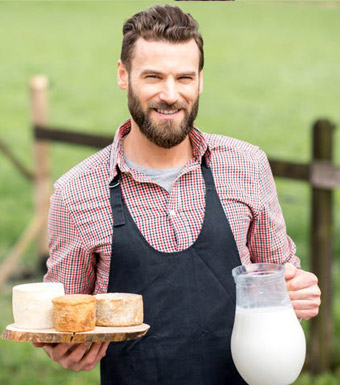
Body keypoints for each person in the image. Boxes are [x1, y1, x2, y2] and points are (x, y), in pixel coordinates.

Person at [34, 4, 321, 384]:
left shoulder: (246, 166)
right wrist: (64, 346)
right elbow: (62, 319)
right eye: (153, 76)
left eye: (184, 77)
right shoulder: (77, 192)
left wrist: (299, 292)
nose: (170, 95)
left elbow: (278, 281)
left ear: (200, 80)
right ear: (123, 75)